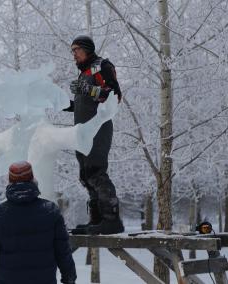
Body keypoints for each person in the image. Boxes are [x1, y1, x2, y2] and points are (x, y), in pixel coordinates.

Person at [64, 35, 125, 235]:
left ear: (87, 49)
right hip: (82, 132)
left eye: (76, 49)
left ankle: (111, 220)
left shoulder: (102, 66)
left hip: (98, 129)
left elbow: (114, 96)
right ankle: (97, 221)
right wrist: (64, 104)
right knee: (85, 175)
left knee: (96, 171)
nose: (73, 54)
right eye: (72, 50)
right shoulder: (83, 75)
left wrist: (87, 89)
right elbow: (85, 105)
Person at [0, 161, 77, 284]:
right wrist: (69, 277)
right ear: (32, 179)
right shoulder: (51, 211)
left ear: (10, 181)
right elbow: (63, 251)